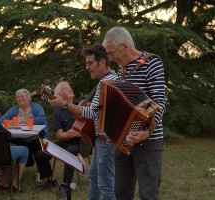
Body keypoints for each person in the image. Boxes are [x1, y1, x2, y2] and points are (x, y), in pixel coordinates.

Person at [102, 27, 166, 200]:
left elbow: (159, 102)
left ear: (124, 46)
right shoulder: (122, 70)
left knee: (148, 194)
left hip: (148, 141)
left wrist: (146, 132)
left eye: (111, 53)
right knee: (121, 192)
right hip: (123, 142)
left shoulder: (151, 63)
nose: (110, 58)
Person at [49, 43, 119, 200]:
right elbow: (98, 111)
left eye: (90, 63)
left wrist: (64, 104)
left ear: (102, 62)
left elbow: (92, 113)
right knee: (94, 177)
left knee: (105, 184)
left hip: (107, 140)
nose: (87, 67)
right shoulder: (107, 80)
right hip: (103, 140)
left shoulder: (108, 83)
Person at [0, 89, 57, 190]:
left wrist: (30, 120)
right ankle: (11, 179)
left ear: (29, 98)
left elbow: (42, 119)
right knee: (11, 146)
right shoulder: (14, 109)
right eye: (18, 97)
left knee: (41, 154)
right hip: (19, 138)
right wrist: (9, 121)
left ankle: (52, 179)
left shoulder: (36, 107)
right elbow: (1, 119)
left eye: (23, 96)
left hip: (34, 137)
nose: (20, 98)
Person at [52, 81, 82, 198]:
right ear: (60, 96)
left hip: (80, 144)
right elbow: (59, 135)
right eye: (66, 89)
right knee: (42, 153)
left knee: (71, 151)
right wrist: (71, 134)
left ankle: (65, 184)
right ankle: (51, 179)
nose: (70, 89)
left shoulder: (81, 105)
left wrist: (75, 133)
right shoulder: (57, 112)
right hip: (63, 143)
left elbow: (87, 129)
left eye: (70, 87)